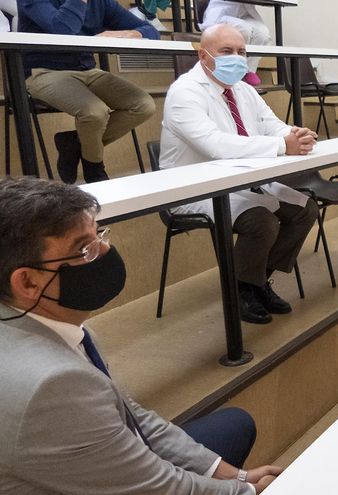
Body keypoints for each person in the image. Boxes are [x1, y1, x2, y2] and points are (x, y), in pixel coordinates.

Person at [0, 176, 281, 493]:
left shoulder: (44, 320)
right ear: (26, 282)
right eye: (84, 249)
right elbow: (155, 489)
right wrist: (249, 491)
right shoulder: (50, 387)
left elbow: (130, 415)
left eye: (100, 235)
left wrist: (236, 477)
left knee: (235, 425)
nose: (104, 251)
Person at [160, 24, 319, 325]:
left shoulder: (244, 89)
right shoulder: (184, 93)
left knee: (304, 210)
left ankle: (253, 282)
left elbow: (272, 124)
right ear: (204, 56)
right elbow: (216, 145)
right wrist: (282, 145)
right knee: (261, 221)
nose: (237, 58)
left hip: (242, 181)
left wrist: (296, 134)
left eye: (242, 52)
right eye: (227, 51)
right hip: (193, 188)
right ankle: (242, 290)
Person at [18, 0, 159, 184]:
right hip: (43, 71)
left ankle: (75, 143)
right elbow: (63, 30)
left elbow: (152, 31)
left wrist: (131, 33)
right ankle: (94, 169)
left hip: (87, 70)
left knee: (143, 105)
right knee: (94, 112)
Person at [200, 0, 271, 86]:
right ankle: (233, 67)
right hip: (221, 12)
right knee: (245, 30)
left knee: (263, 33)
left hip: (245, 14)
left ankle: (249, 70)